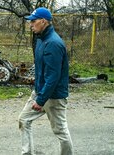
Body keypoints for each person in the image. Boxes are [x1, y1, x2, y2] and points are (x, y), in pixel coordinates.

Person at [18, 7, 73, 155]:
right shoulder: (41, 39)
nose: (31, 25)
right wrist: (38, 92)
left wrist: (41, 100)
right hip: (40, 92)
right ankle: (27, 153)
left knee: (60, 131)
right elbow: (42, 69)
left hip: (54, 96)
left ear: (43, 21)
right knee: (24, 120)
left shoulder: (53, 43)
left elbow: (53, 77)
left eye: (33, 21)